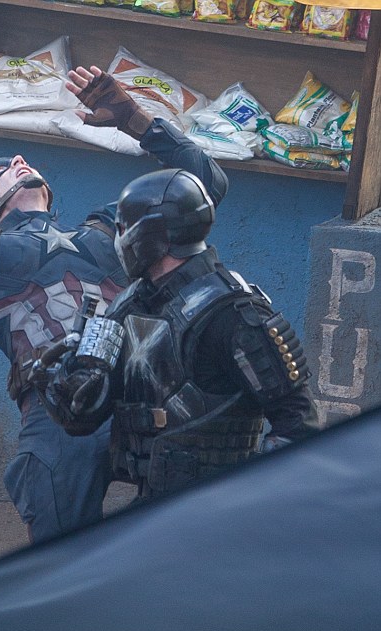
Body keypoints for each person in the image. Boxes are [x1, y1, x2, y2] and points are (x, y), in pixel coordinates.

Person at [0, 53, 229, 541]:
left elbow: (206, 183)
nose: (20, 161)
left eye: (22, 161)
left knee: (194, 535)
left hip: (148, 393)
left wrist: (135, 119)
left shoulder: (108, 231)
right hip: (59, 408)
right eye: (3, 168)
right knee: (58, 553)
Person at [34, 166, 320, 499]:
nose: (119, 240)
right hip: (154, 501)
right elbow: (81, 417)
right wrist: (66, 383)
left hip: (219, 509)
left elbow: (299, 424)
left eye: (123, 229)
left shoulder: (234, 313)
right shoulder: (131, 304)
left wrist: (250, 499)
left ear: (151, 234)